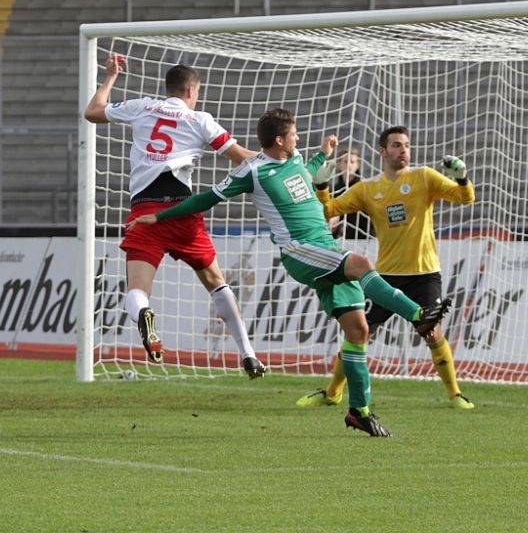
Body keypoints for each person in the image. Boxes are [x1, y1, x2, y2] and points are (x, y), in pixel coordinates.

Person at [128, 108, 452, 437]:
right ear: (279, 140)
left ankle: (359, 412)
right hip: (300, 249)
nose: (298, 137)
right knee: (362, 264)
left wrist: (323, 156)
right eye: (294, 133)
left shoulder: (295, 158)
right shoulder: (252, 171)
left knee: (358, 330)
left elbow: (304, 175)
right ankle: (418, 316)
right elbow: (206, 199)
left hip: (325, 245)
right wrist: (160, 216)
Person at [83, 54, 266, 379]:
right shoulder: (200, 119)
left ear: (168, 88)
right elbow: (240, 157)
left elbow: (92, 112)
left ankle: (145, 314)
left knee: (137, 291)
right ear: (192, 91)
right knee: (216, 282)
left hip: (144, 211)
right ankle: (248, 353)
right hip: (182, 212)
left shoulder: (142, 106)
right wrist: (280, 160)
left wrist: (110, 77)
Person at [298, 125, 477, 410]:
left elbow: (465, 198)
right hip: (385, 279)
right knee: (359, 332)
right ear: (382, 151)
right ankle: (332, 393)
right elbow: (327, 211)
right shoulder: (368, 189)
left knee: (432, 333)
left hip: (424, 275)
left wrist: (462, 177)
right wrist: (321, 187)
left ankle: (455, 394)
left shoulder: (424, 177)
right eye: (396, 145)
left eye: (406, 145)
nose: (403, 150)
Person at [327, 147, 371, 240]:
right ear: (339, 164)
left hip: (362, 239)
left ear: (358, 164)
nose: (348, 165)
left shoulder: (365, 189)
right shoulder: (334, 191)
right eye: (345, 161)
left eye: (352, 162)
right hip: (338, 240)